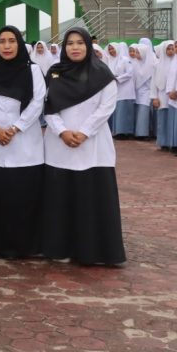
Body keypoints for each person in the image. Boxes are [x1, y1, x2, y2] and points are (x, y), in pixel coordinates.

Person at [40, 26, 125, 266]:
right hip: (59, 145)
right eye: (70, 43)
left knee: (91, 199)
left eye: (80, 43)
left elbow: (106, 107)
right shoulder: (55, 73)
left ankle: (94, 252)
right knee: (61, 199)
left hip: (93, 146)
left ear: (88, 45)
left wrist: (84, 132)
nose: (75, 47)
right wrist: (63, 131)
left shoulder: (102, 74)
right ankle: (60, 248)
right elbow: (48, 106)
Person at [0, 25, 46, 260]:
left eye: (11, 41)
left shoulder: (33, 71)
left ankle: (26, 245)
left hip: (25, 141)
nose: (6, 46)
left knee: (24, 195)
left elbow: (37, 102)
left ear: (19, 44)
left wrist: (16, 128)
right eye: (2, 41)